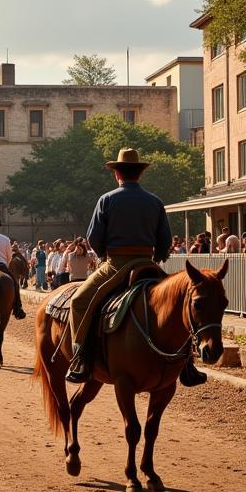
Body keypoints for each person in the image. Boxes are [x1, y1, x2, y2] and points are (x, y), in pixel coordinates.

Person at [64, 148, 201, 386]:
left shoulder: (106, 199)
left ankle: (81, 359)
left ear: (117, 173)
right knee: (177, 304)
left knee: (78, 302)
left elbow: (93, 237)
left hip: (115, 265)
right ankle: (187, 364)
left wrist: (104, 255)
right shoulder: (155, 201)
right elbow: (165, 240)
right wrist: (155, 257)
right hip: (148, 263)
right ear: (140, 174)